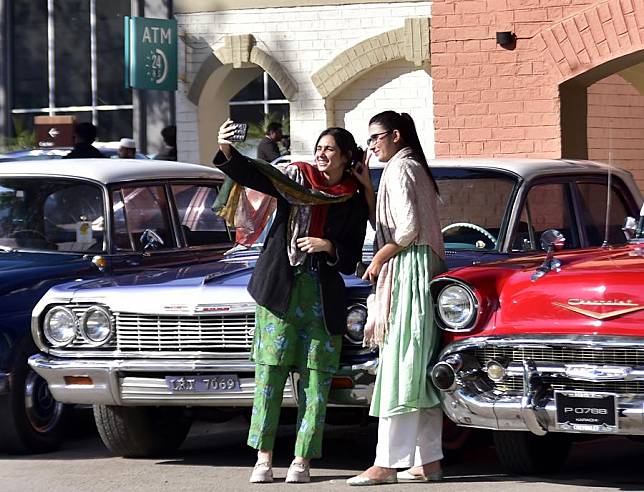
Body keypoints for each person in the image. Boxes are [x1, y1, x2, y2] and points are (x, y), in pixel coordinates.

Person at [214, 120, 368, 484]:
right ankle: (263, 458)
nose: (322, 153)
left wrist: (328, 246)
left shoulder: (352, 198)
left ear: (347, 158)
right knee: (270, 372)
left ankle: (302, 459)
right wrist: (226, 150)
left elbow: (350, 256)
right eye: (320, 147)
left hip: (321, 295)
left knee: (317, 379)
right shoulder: (294, 179)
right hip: (279, 290)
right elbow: (254, 175)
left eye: (330, 149)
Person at [347, 111, 446, 486]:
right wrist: (368, 186)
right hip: (420, 267)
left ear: (396, 135)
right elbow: (396, 223)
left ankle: (387, 462)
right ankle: (429, 460)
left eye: (376, 137)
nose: (371, 145)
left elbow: (407, 229)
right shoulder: (411, 167)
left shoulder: (402, 169)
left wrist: (379, 258)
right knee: (417, 363)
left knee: (402, 362)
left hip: (408, 269)